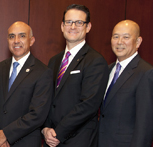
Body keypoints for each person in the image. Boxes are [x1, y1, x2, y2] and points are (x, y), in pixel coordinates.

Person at [42, 4, 109, 147]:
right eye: (69, 22)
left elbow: (88, 105)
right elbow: (48, 98)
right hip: (51, 138)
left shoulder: (95, 61)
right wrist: (46, 128)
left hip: (79, 139)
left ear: (88, 27)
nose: (73, 26)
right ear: (62, 26)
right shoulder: (54, 61)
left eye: (79, 22)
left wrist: (58, 132)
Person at [0, 21, 53, 147]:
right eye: (12, 36)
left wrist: (6, 134)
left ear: (32, 40)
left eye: (22, 36)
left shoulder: (43, 72)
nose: (16, 41)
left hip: (25, 142)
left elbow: (37, 114)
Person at [98, 20, 153, 147]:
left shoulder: (146, 73)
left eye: (126, 37)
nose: (119, 42)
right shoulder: (107, 70)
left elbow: (145, 124)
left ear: (138, 42)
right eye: (115, 36)